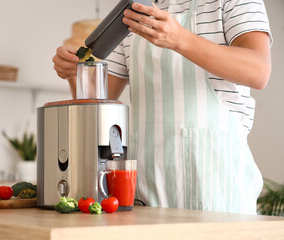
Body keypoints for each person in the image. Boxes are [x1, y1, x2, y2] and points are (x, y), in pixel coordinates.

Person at [52, 0, 272, 214]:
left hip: (218, 193)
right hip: (146, 193)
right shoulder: (131, 10)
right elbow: (97, 102)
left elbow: (259, 71)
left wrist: (180, 39)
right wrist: (75, 73)